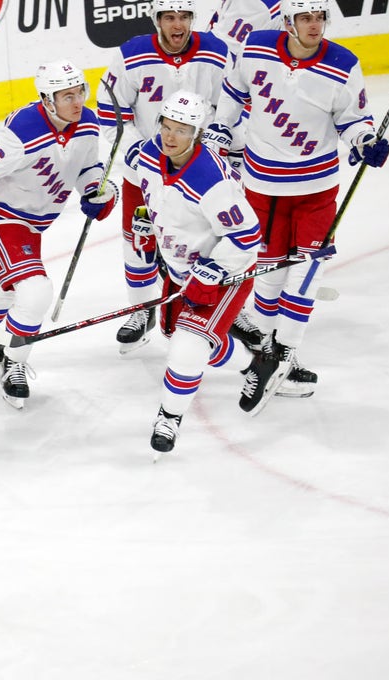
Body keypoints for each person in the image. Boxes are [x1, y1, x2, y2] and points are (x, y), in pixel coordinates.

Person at [211, 0, 389, 401]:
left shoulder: (343, 63)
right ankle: (265, 352)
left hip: (316, 188)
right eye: (305, 18)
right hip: (262, 186)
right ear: (288, 23)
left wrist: (365, 141)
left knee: (308, 272)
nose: (314, 25)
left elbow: (354, 118)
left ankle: (284, 355)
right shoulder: (255, 47)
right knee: (269, 275)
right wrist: (222, 126)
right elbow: (233, 91)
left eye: (320, 17)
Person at [0, 59, 117, 409]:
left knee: (9, 285)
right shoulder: (22, 133)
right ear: (48, 100)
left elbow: (87, 168)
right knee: (35, 289)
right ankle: (14, 363)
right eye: (67, 96)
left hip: (32, 222)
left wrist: (97, 190)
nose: (77, 101)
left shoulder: (88, 124)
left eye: (80, 92)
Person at [127, 91, 288, 453]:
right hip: (180, 267)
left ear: (197, 133)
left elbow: (247, 236)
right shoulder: (150, 155)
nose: (170, 136)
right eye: (166, 126)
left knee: (187, 347)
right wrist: (145, 224)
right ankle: (255, 366)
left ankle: (169, 418)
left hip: (223, 272)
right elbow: (153, 198)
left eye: (182, 130)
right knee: (177, 333)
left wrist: (211, 271)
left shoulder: (211, 179)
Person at [98, 0, 231, 353]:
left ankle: (217, 306)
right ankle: (141, 310)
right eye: (170, 17)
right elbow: (112, 112)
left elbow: (234, 104)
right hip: (144, 172)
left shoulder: (217, 51)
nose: (178, 24)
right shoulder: (132, 54)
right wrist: (132, 151)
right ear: (157, 19)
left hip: (198, 172)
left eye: (184, 16)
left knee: (205, 241)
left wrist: (220, 135)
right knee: (139, 239)